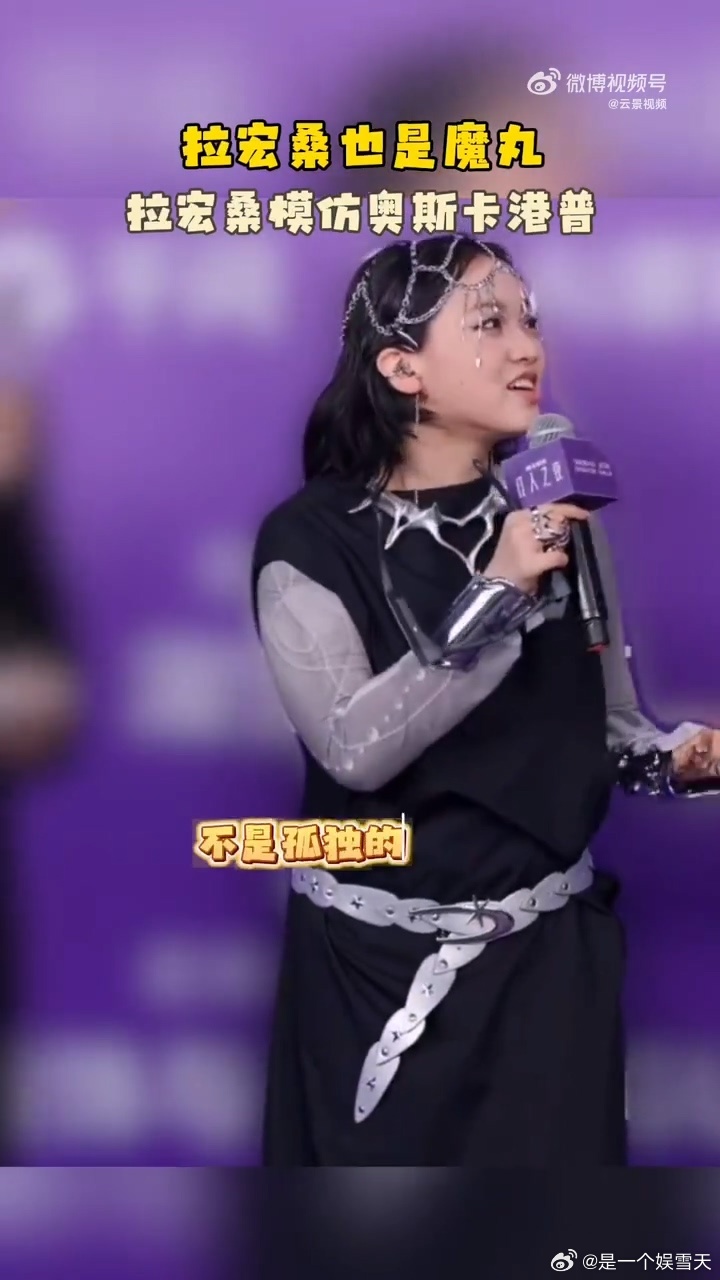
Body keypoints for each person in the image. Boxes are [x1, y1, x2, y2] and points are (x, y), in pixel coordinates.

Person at [250, 233, 720, 1167]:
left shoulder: (557, 520)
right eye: (490, 324)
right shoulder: (309, 539)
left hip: (550, 972)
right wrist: (497, 589)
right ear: (402, 367)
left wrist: (679, 761)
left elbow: (605, 723)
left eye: (530, 323)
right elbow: (355, 748)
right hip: (374, 973)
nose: (526, 348)